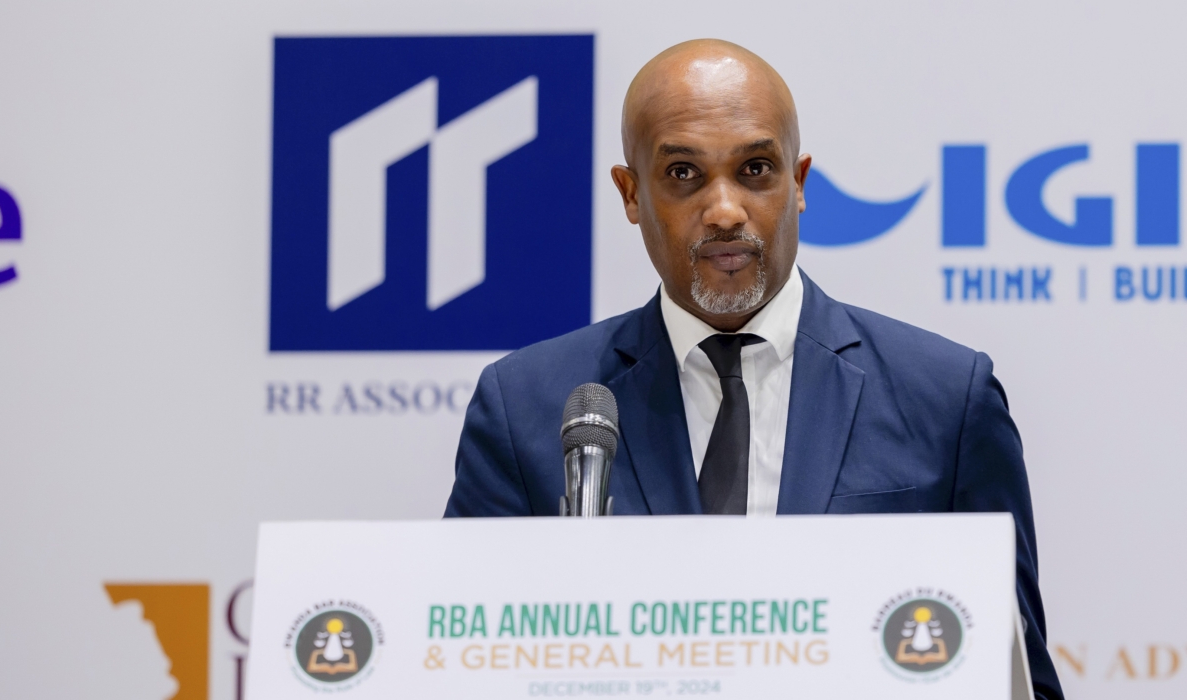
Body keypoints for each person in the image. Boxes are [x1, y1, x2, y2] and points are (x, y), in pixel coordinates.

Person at [444, 39, 1062, 699]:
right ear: (630, 192)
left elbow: (1017, 676)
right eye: (683, 173)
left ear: (798, 184)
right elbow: (457, 664)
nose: (725, 210)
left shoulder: (944, 399)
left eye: (756, 169)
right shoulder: (527, 405)